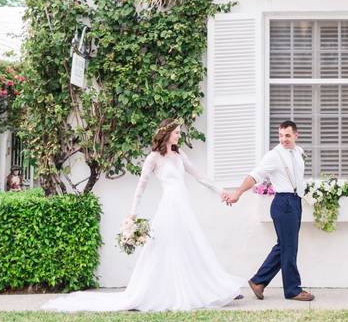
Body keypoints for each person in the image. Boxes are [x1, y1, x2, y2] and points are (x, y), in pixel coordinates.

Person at [43, 118, 244, 312]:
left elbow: (199, 175)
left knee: (192, 246)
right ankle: (156, 292)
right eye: (176, 132)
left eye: (179, 132)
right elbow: (141, 186)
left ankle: (213, 288)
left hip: (184, 207)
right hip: (170, 207)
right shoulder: (154, 158)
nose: (179, 135)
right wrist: (132, 213)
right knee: (163, 248)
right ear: (166, 134)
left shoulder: (180, 154)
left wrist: (221, 191)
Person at [222, 119, 314, 301]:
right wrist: (238, 193)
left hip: (295, 202)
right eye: (280, 135)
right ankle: (292, 290)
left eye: (287, 135)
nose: (284, 139)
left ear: (296, 135)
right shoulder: (274, 155)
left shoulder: (298, 152)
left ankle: (258, 281)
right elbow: (255, 175)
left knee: (284, 247)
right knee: (289, 247)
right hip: (283, 203)